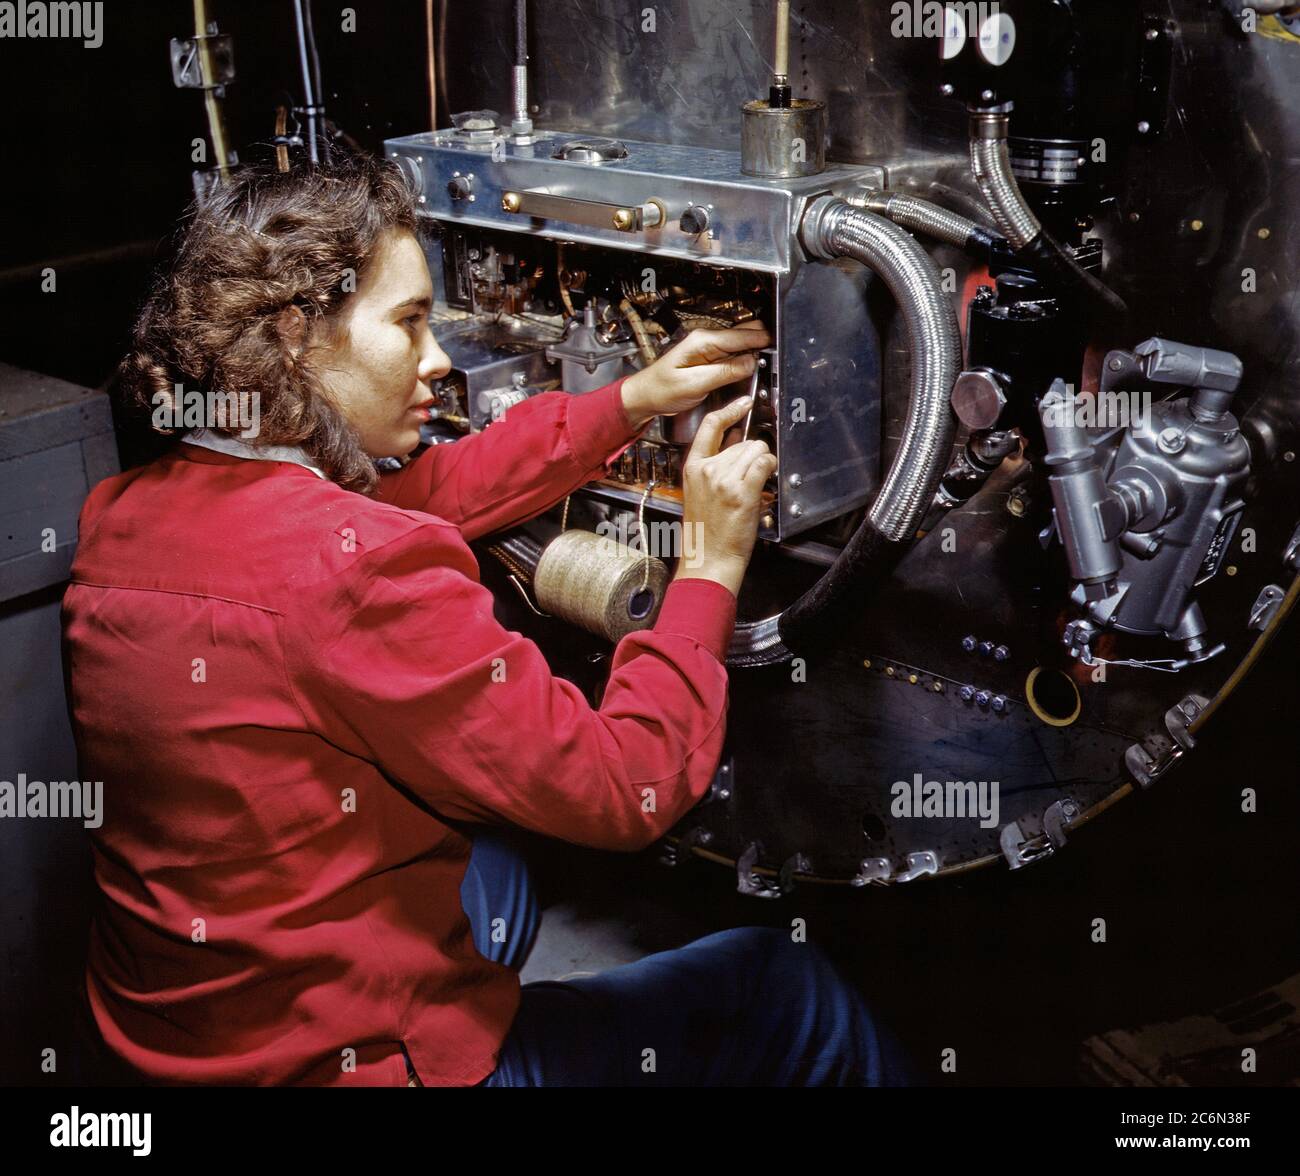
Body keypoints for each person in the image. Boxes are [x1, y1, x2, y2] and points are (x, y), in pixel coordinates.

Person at [62, 152, 913, 1087]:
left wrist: (628, 402)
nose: (439, 360)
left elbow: (412, 501)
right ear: (297, 336)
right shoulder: (363, 573)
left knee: (495, 875)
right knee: (786, 988)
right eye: (410, 322)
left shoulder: (121, 516)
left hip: (172, 1041)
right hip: (348, 1070)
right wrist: (710, 565)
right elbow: (628, 786)